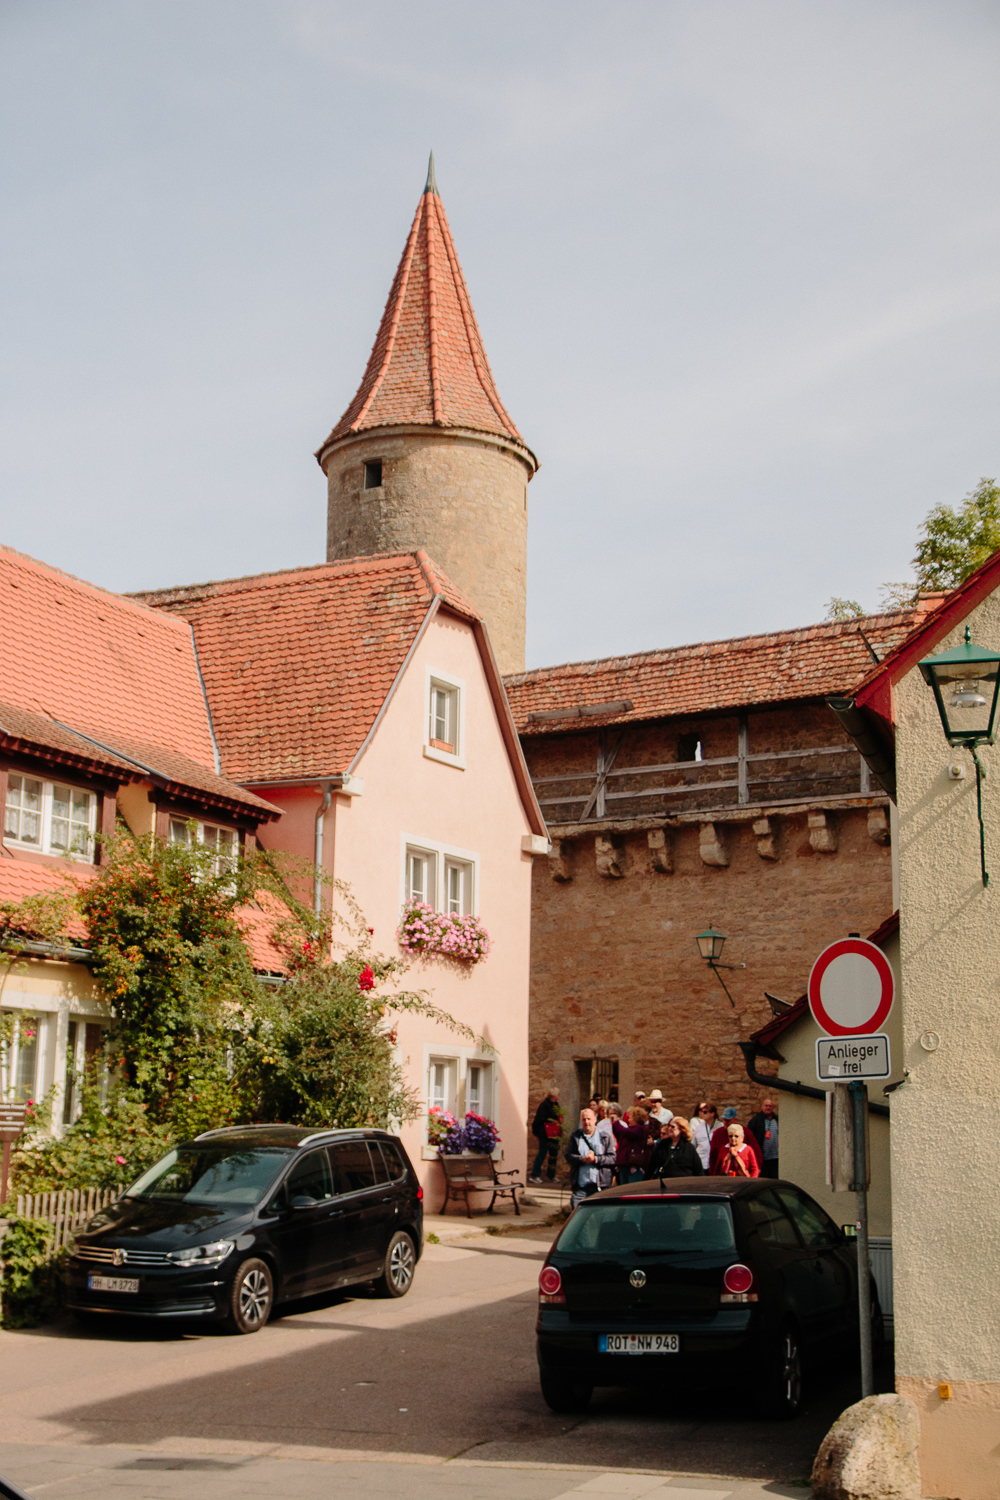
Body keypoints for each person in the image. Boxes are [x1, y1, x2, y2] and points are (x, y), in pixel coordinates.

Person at [566, 1108, 615, 1208]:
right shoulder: (576, 1137)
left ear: (595, 1119)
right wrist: (582, 1159)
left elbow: (612, 1159)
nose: (586, 1122)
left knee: (600, 1217)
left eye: (589, 1119)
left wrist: (596, 1159)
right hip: (580, 1186)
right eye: (584, 1119)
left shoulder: (605, 1137)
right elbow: (568, 1156)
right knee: (577, 1216)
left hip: (600, 1186)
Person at [710, 1108, 763, 1173]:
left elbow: (756, 1152)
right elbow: (713, 1156)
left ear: (735, 1120)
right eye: (724, 1120)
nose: (725, 1122)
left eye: (728, 1120)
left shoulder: (746, 1132)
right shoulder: (717, 1134)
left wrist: (757, 1171)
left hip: (743, 1174)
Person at [529, 1088, 563, 1183]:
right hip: (544, 1133)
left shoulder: (556, 1105)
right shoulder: (544, 1105)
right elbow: (539, 1119)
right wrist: (536, 1132)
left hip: (554, 1133)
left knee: (553, 1154)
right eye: (558, 1094)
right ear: (554, 1096)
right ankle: (535, 1174)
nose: (559, 1096)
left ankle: (551, 1175)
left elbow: (558, 1116)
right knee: (542, 1152)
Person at [612, 1106, 648, 1184]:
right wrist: (614, 1125)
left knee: (632, 1187)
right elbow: (619, 1134)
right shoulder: (630, 1130)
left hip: (633, 1164)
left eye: (630, 1118)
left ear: (636, 1118)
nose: (628, 1120)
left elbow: (626, 1132)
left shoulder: (639, 1129)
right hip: (624, 1164)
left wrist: (616, 1123)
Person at [748, 1098, 779, 1179]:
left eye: (770, 1106)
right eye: (766, 1105)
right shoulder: (756, 1120)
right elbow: (750, 1137)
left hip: (775, 1158)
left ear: (772, 1108)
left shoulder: (777, 1120)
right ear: (762, 1106)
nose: (768, 1107)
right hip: (762, 1159)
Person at [691, 1101, 724, 1170]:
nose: (702, 1114)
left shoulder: (720, 1126)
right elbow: (693, 1144)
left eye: (705, 1112)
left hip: (715, 1162)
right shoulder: (699, 1127)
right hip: (701, 1161)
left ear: (712, 1114)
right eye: (702, 1111)